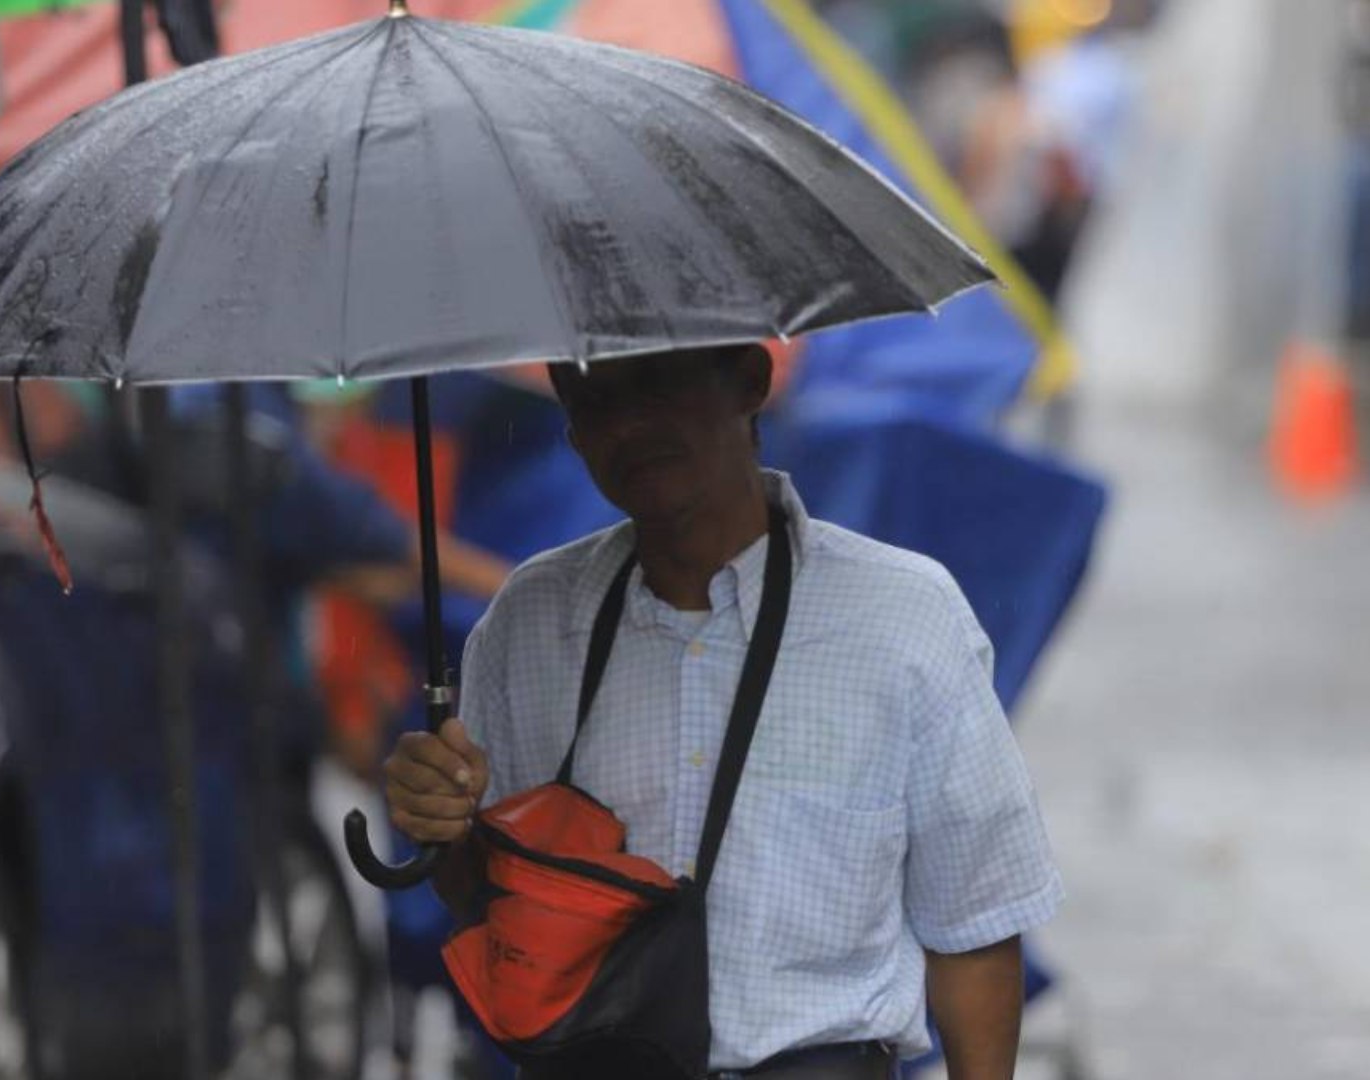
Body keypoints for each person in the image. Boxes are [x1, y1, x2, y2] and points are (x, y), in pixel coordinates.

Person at [381, 344, 1061, 1079]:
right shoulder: (531, 621)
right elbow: (488, 900)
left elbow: (975, 926)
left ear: (750, 380)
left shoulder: (903, 617)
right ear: (572, 431)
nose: (630, 425)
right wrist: (442, 824)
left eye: (658, 383)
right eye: (596, 400)